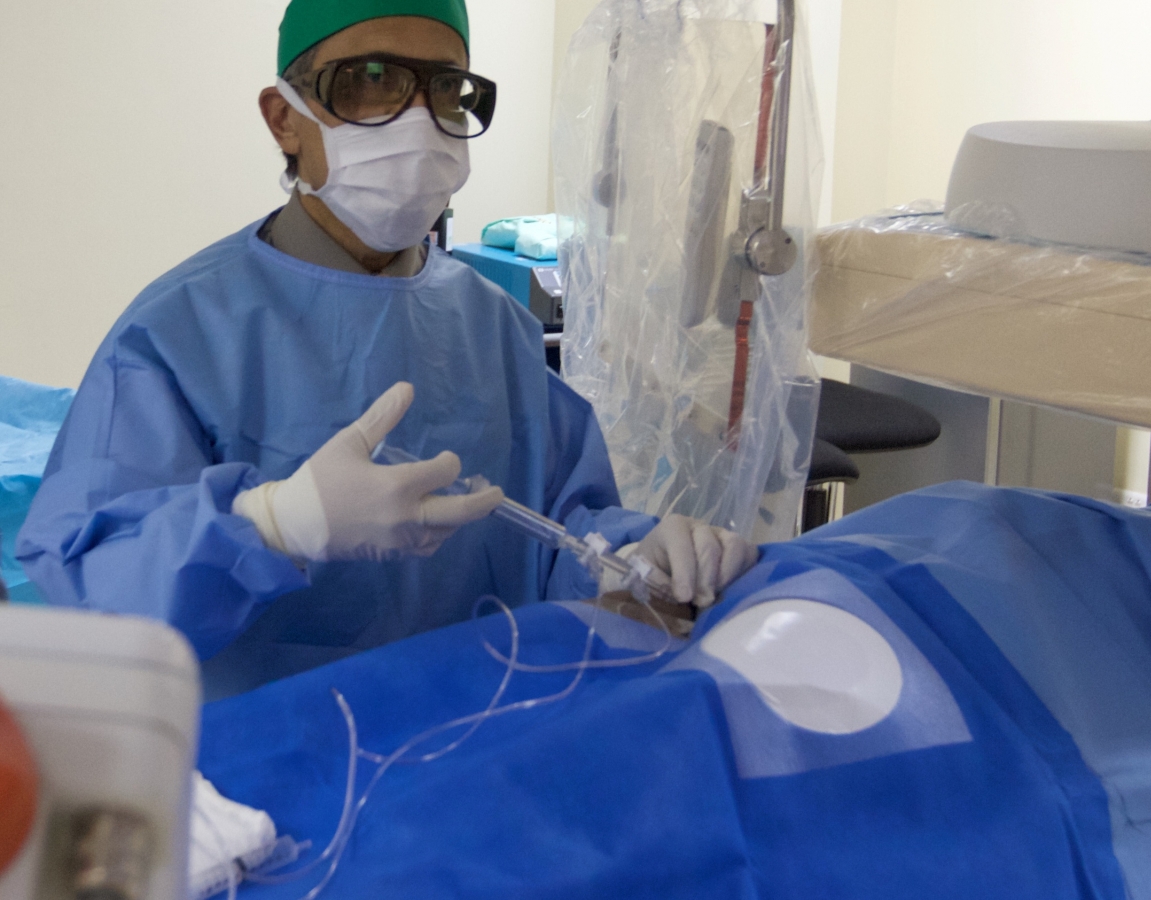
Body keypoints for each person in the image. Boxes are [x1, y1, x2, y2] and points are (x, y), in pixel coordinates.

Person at [17, 0, 755, 700]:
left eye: (446, 90)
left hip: (475, 740)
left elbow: (561, 534)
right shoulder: (177, 333)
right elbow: (96, 594)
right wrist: (273, 526)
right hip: (257, 777)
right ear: (284, 119)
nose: (417, 121)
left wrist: (635, 559)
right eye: (370, 82)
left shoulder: (495, 328)